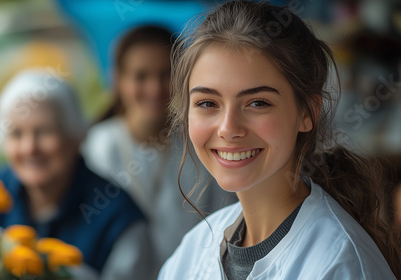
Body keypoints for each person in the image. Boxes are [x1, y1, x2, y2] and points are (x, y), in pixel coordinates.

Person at [159, 1, 400, 279]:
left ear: (307, 112)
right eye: (207, 103)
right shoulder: (191, 253)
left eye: (258, 103)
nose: (228, 128)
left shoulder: (338, 264)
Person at [82, 25, 237, 274]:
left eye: (165, 74)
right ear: (118, 79)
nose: (155, 88)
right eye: (141, 76)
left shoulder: (202, 141)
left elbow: (227, 219)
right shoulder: (97, 146)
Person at [0, 68, 152, 280]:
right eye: (16, 134)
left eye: (44, 132)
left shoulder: (118, 219)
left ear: (75, 136)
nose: (29, 148)